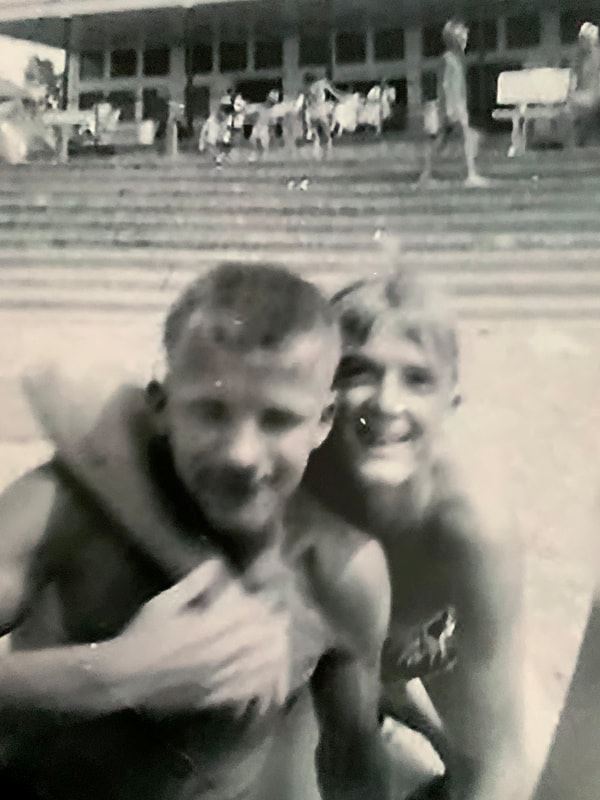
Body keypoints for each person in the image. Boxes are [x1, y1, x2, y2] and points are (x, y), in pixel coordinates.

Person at [19, 269, 524, 799]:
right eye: (358, 371)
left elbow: (494, 750)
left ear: (453, 401)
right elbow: (58, 377)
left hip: (400, 652)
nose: (387, 403)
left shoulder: (457, 528)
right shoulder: (255, 452)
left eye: (417, 378)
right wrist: (212, 580)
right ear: (321, 389)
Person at [417, 20, 488, 188]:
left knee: (442, 141)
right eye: (462, 36)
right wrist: (451, 109)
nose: (465, 39)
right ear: (453, 38)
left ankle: (426, 176)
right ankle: (470, 175)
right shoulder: (448, 60)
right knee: (466, 139)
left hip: (456, 106)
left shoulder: (456, 59)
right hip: (453, 107)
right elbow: (446, 85)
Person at [568, 22, 600, 146]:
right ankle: (578, 145)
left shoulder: (596, 56)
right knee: (570, 108)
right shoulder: (580, 58)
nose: (581, 43)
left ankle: (580, 144)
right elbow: (575, 79)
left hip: (594, 95)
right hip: (586, 95)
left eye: (584, 39)